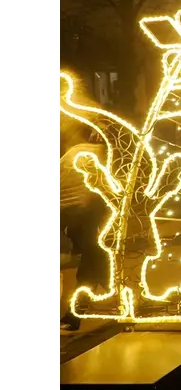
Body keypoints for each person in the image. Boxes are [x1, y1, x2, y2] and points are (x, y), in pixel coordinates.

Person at [60, 128, 109, 331]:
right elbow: (108, 190)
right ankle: (76, 312)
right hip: (85, 212)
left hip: (61, 209)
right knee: (96, 256)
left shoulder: (74, 151)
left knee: (95, 256)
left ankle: (75, 313)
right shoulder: (108, 156)